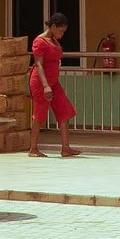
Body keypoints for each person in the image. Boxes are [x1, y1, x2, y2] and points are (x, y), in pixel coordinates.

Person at [28, 12, 80, 157]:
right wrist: (45, 86)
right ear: (53, 26)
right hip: (41, 83)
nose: (62, 35)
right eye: (61, 31)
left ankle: (66, 148)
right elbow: (39, 64)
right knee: (39, 115)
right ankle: (33, 148)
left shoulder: (54, 41)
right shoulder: (39, 41)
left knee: (64, 112)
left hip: (54, 83)